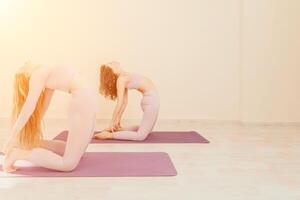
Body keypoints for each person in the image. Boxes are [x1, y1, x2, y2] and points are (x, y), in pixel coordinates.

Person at [2, 62, 98, 172]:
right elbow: (29, 106)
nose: (25, 64)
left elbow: (45, 105)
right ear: (26, 75)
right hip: (83, 100)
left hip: (86, 99)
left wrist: (31, 127)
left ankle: (33, 143)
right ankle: (17, 154)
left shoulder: (43, 71)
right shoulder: (38, 74)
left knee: (78, 153)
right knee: (68, 165)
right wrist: (13, 136)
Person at [94, 61, 159, 141]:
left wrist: (117, 120)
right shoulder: (121, 79)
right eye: (110, 65)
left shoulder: (124, 76)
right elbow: (120, 102)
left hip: (150, 100)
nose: (113, 63)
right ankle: (109, 135)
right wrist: (112, 122)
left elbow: (125, 102)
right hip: (151, 101)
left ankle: (118, 130)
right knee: (140, 136)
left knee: (147, 130)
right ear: (112, 72)